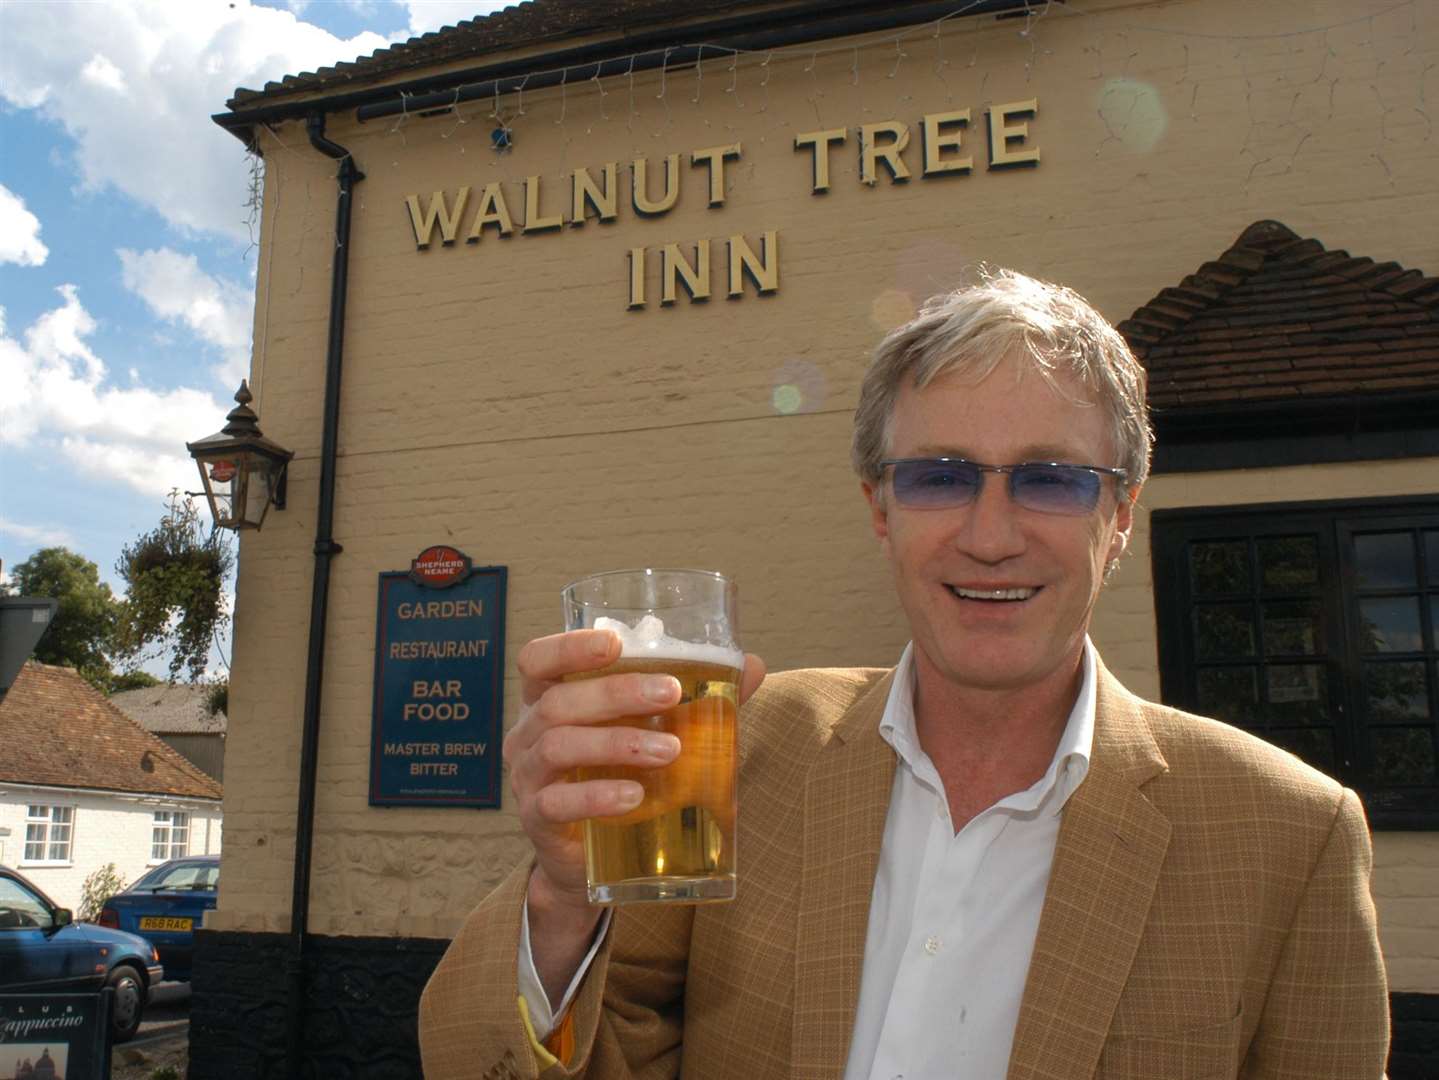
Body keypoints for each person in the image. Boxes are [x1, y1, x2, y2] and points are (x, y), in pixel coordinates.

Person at [419, 269, 1389, 1079]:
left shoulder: (1291, 836)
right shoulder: (745, 754)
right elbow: (489, 1062)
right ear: (881, 509)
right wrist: (559, 894)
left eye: (1049, 476)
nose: (990, 535)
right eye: (939, 475)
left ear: (1121, 516)